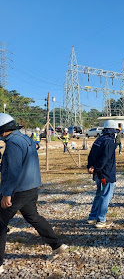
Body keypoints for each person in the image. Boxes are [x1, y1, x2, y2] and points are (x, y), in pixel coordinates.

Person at [0, 114, 67, 273]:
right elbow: (18, 164)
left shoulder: (13, 144)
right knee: (33, 217)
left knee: (0, 223)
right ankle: (57, 246)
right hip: (31, 187)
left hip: (18, 190)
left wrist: (7, 194)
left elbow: (14, 171)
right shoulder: (26, 139)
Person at [87, 120, 119, 228]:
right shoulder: (109, 142)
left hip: (97, 174)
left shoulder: (99, 139)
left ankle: (92, 217)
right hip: (106, 174)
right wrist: (97, 168)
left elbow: (91, 155)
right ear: (112, 131)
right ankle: (101, 220)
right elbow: (105, 158)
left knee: (99, 195)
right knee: (105, 196)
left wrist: (91, 167)